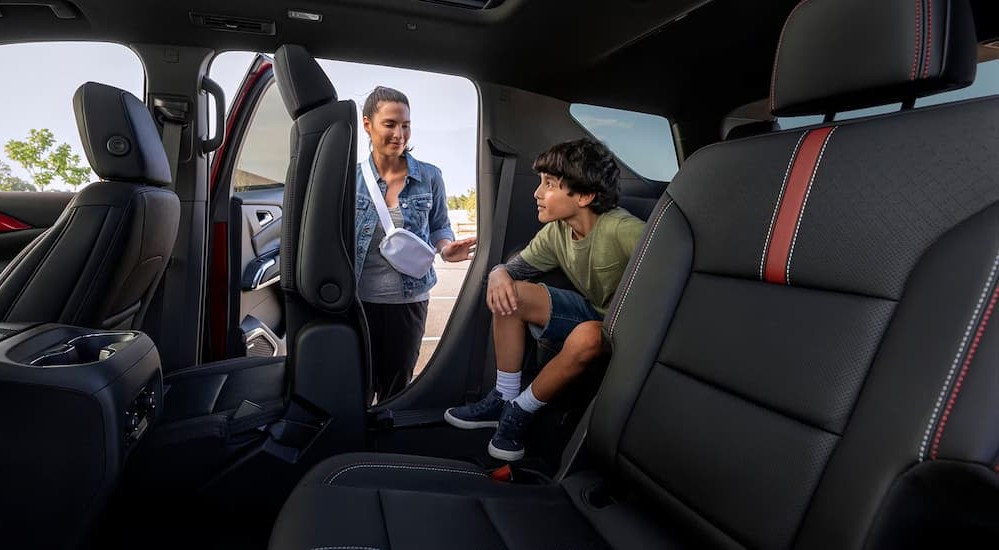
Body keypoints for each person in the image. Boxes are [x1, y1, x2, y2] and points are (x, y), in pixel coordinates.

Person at [444, 137, 645, 461]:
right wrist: (498, 273)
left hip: (628, 330)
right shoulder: (556, 233)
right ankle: (504, 398)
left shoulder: (623, 229)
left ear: (585, 195)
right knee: (511, 293)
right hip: (593, 312)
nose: (537, 193)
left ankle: (521, 410)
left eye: (549, 184)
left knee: (588, 335)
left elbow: (669, 278)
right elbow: (513, 269)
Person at [355, 86, 476, 401]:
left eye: (406, 125)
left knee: (397, 386)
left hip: (409, 300)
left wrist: (447, 248)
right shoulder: (350, 178)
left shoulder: (430, 176)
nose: (400, 133)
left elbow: (439, 225)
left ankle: (384, 446)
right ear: (367, 124)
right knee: (358, 383)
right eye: (390, 124)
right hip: (358, 300)